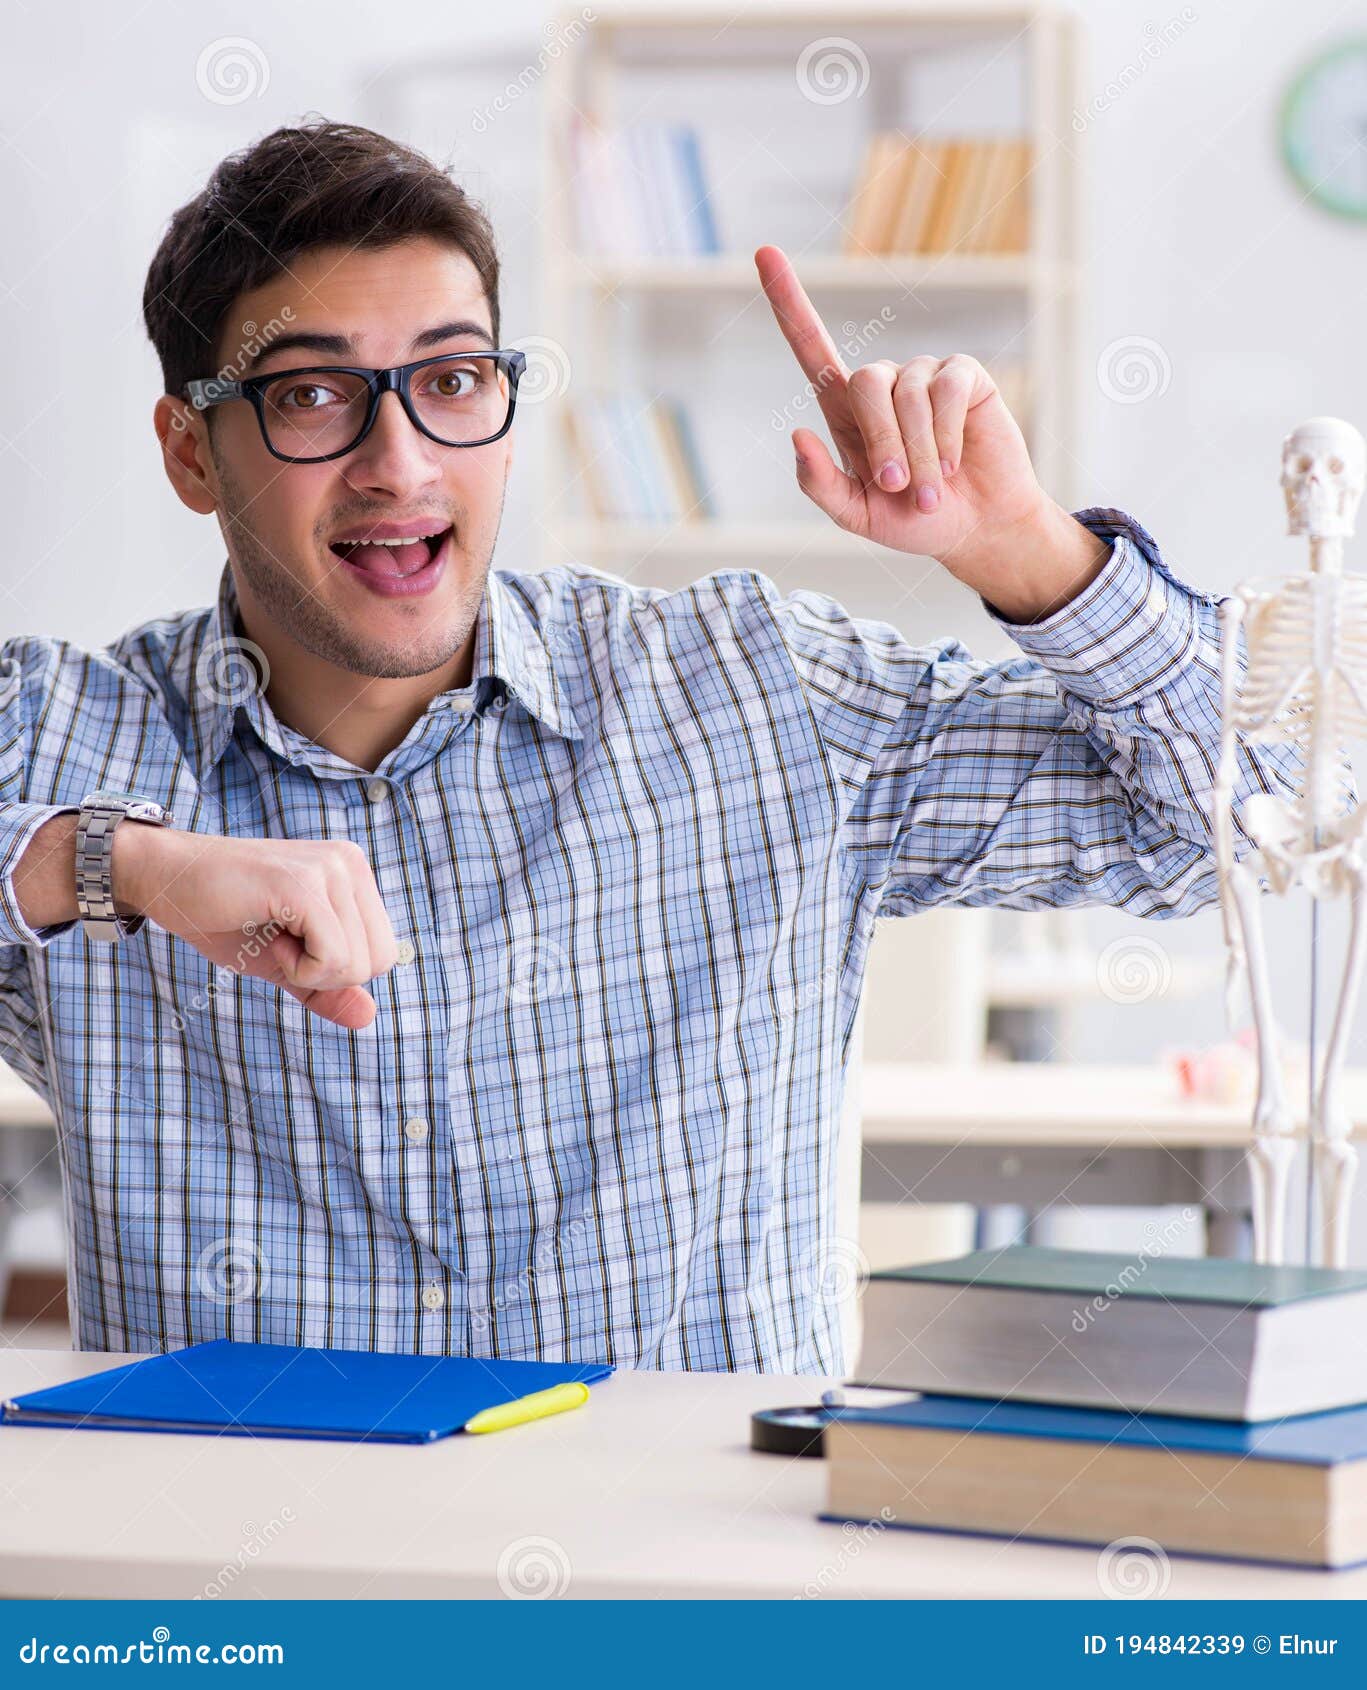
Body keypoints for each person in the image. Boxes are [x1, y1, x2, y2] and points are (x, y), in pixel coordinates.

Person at [0, 121, 1293, 1368]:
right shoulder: (71, 733)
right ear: (190, 450)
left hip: (681, 1578)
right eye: (314, 394)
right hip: (244, 1579)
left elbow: (1246, 827)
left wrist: (1025, 553)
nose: (399, 463)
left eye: (454, 380)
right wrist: (115, 866)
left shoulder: (752, 690)